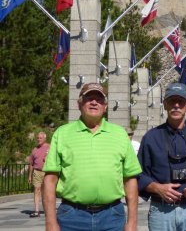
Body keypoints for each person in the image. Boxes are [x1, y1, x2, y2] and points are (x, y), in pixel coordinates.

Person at [42, 83, 142, 231]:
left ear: (105, 106)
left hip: (112, 217)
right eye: (89, 98)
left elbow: (130, 180)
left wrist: (132, 222)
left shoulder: (120, 134)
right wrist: (50, 222)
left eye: (99, 99)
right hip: (71, 217)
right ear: (79, 103)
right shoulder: (62, 134)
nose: (94, 102)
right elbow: (50, 180)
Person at [137, 82, 186, 231]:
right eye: (171, 101)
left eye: (180, 102)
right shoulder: (150, 138)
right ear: (165, 104)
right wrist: (157, 188)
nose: (176, 105)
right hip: (161, 212)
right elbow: (138, 175)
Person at [28, 131, 50, 218]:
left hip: (47, 172)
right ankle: (36, 211)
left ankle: (47, 210)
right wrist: (29, 176)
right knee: (36, 190)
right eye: (38, 138)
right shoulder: (34, 149)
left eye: (40, 138)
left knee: (46, 192)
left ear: (45, 138)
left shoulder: (50, 147)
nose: (38, 139)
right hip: (36, 172)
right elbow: (31, 164)